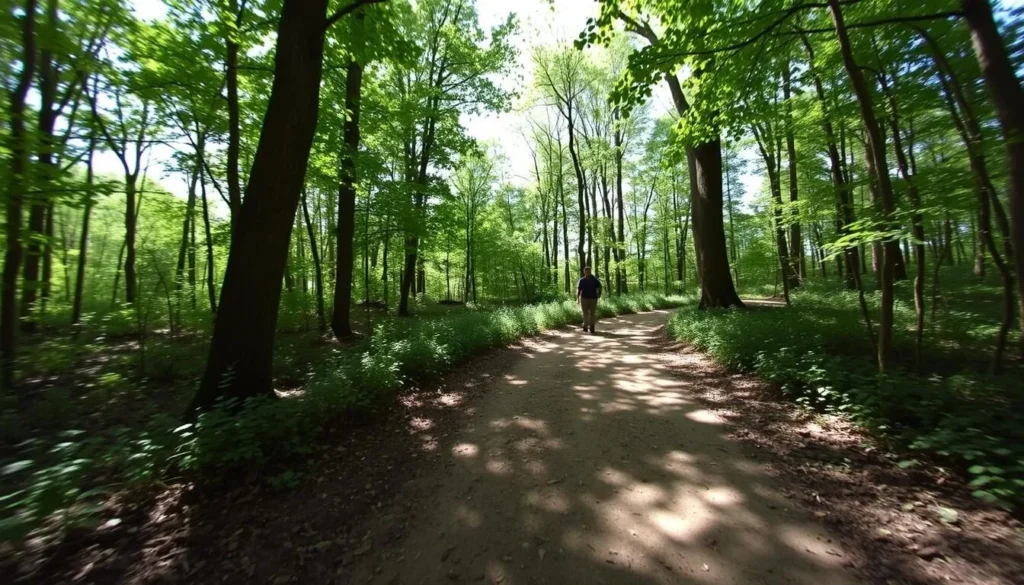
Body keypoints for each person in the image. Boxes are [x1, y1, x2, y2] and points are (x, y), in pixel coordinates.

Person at [576, 265, 602, 333]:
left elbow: (599, 287)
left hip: (593, 299)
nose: (587, 272)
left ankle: (592, 326)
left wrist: (599, 295)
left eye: (588, 271)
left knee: (592, 313)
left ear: (590, 271)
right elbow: (579, 289)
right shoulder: (581, 280)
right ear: (584, 272)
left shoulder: (595, 280)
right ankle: (585, 326)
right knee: (585, 313)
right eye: (586, 271)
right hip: (584, 298)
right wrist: (577, 299)